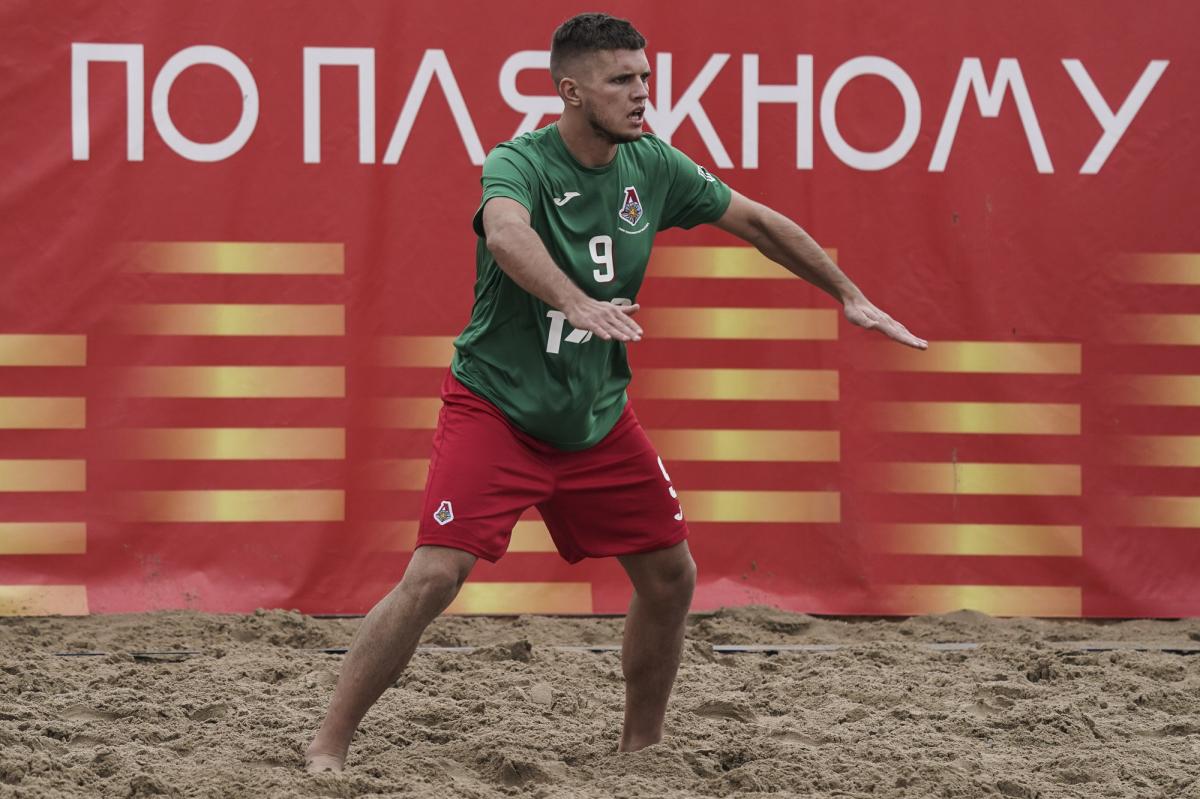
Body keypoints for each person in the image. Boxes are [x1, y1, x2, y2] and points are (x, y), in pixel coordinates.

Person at [305, 12, 927, 773]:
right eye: (621, 80)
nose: (641, 93)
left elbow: (759, 223)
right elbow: (506, 234)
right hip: (498, 409)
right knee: (434, 576)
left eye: (645, 77)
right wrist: (573, 301)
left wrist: (848, 294)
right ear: (571, 91)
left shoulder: (653, 164)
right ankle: (328, 744)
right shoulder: (520, 161)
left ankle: (642, 750)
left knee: (670, 576)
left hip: (596, 418)